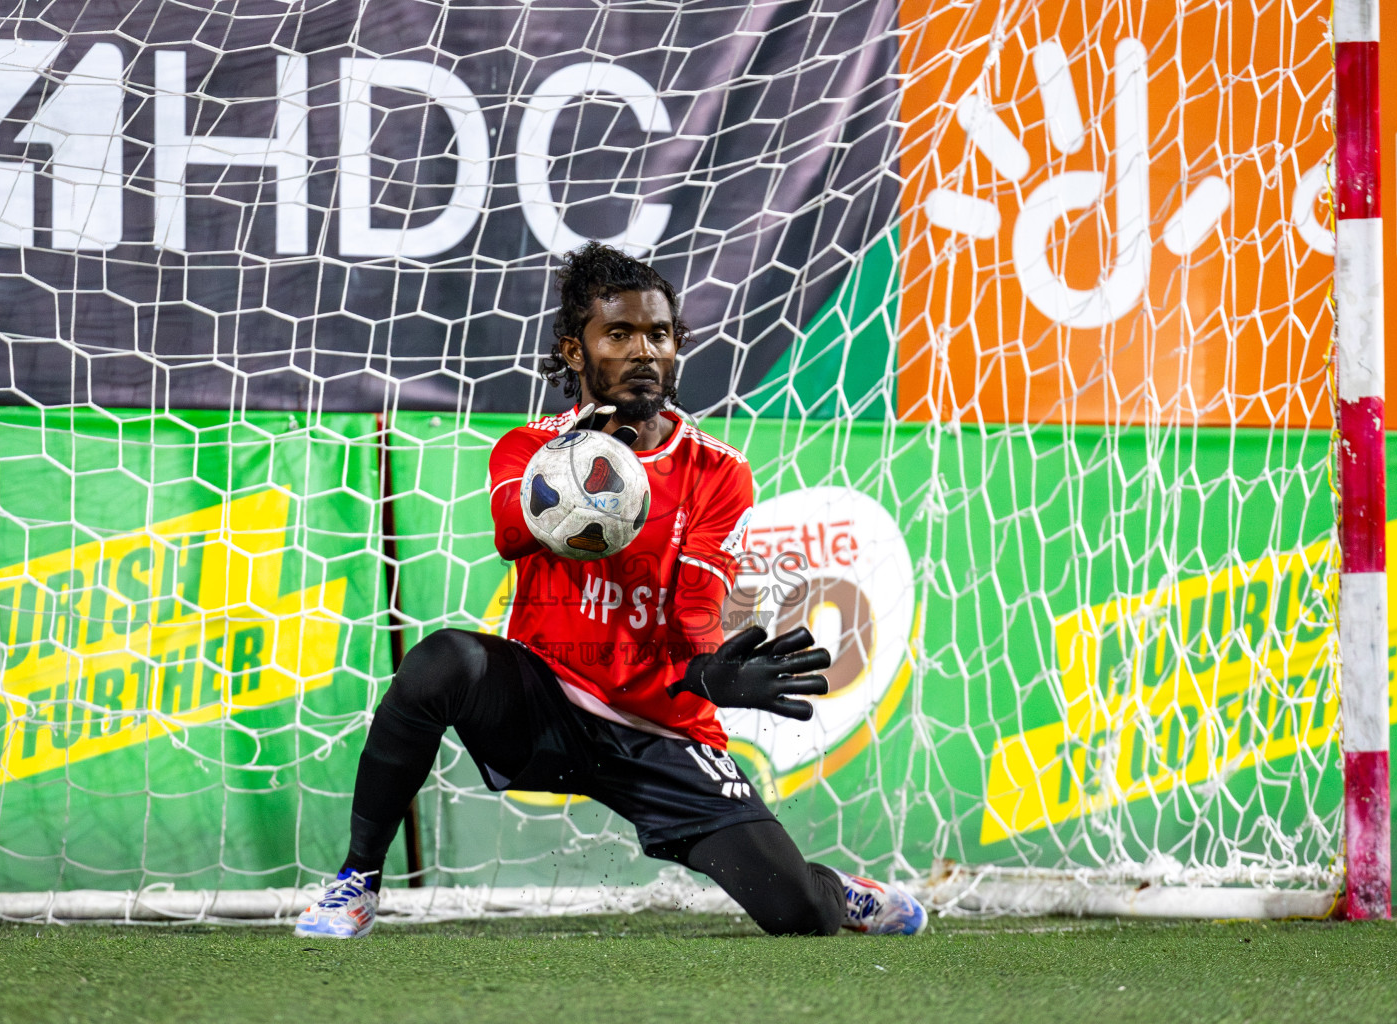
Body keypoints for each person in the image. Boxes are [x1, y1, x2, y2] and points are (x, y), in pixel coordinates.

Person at [296, 242, 926, 939]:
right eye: (618, 333)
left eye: (658, 334)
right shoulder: (528, 449)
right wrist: (579, 458)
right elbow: (511, 532)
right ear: (574, 350)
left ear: (678, 344)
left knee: (800, 915)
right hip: (547, 700)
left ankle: (838, 889)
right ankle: (357, 880)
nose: (642, 350)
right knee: (442, 662)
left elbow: (694, 611)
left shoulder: (717, 471)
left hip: (662, 723)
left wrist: (710, 672)